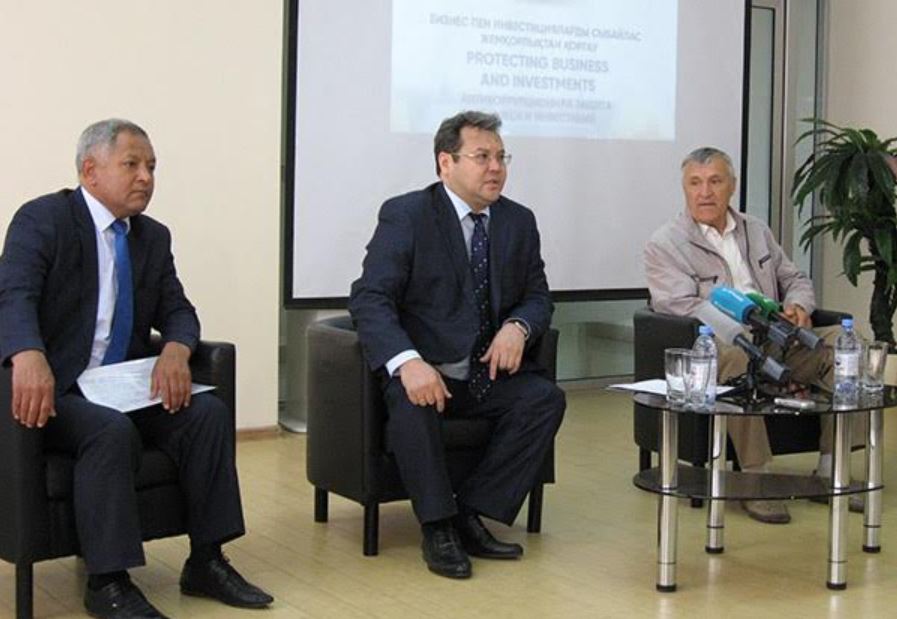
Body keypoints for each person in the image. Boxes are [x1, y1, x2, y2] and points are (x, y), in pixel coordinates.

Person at [0, 119, 273, 618]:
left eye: (151, 166)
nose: (146, 176)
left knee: (207, 415)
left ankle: (207, 561)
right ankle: (108, 582)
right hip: (59, 390)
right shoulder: (43, 220)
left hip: (119, 387)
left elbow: (179, 310)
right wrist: (27, 354)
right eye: (132, 164)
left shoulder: (151, 237)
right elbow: (14, 295)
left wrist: (176, 350)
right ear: (90, 171)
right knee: (109, 432)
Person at [348, 111, 565, 579]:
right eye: (482, 157)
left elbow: (537, 295)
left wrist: (519, 327)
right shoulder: (408, 215)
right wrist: (407, 362)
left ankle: (471, 512)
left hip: (487, 372)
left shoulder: (518, 221)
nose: (496, 168)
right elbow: (369, 297)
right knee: (413, 403)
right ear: (446, 163)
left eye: (501, 157)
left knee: (544, 399)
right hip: (427, 370)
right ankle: (438, 527)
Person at [644, 146, 864, 525]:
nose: (705, 192)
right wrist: (741, 326)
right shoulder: (665, 243)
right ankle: (756, 479)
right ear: (684, 189)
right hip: (724, 341)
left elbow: (794, 278)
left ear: (732, 186)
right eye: (695, 183)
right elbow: (678, 304)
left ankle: (832, 469)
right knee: (733, 356)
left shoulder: (756, 230)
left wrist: (797, 306)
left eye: (715, 181)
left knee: (846, 347)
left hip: (780, 336)